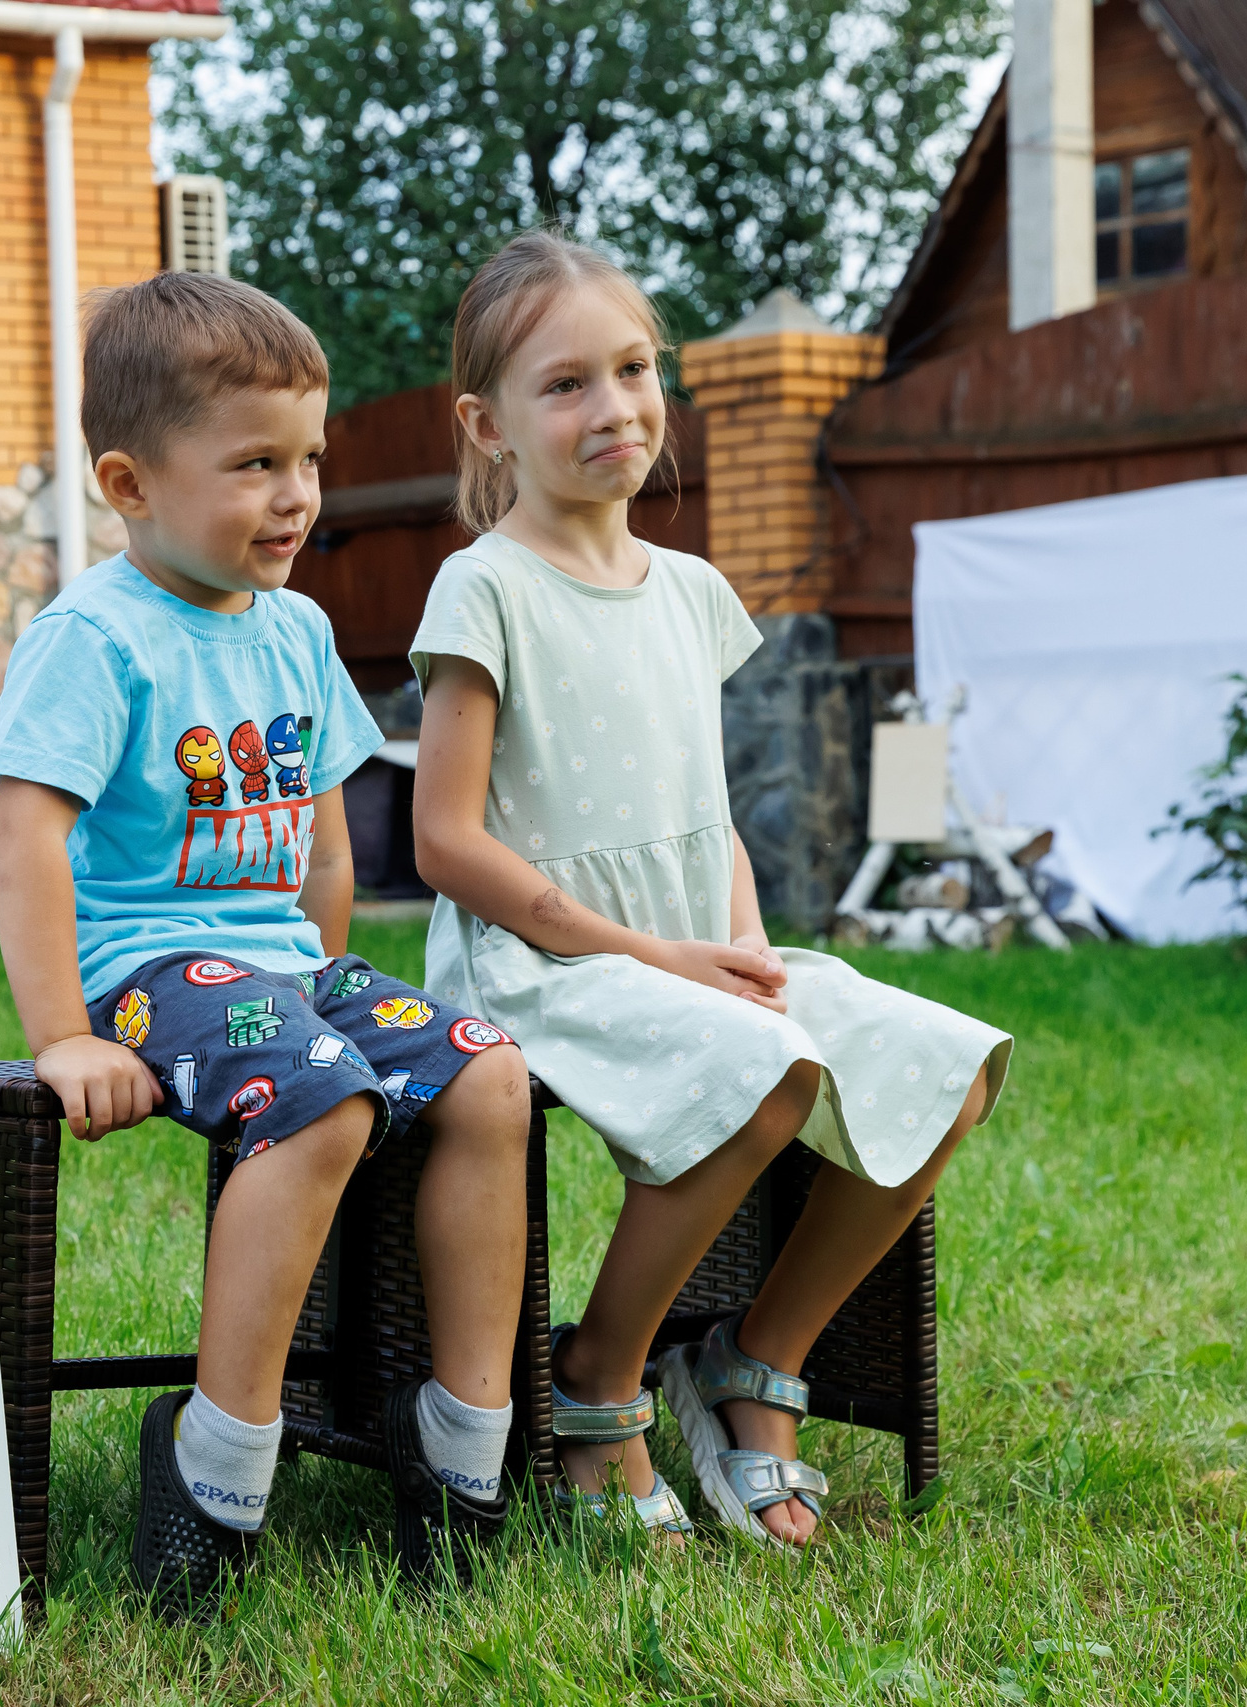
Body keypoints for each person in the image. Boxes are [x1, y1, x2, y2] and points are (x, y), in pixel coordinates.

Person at [409, 230, 1014, 1548]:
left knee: (949, 1064)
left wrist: (736, 940)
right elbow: (445, 842)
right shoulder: (486, 587)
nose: (614, 408)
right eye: (564, 385)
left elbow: (701, 811)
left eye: (632, 369)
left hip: (691, 941)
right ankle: (598, 1380)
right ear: (489, 424)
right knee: (765, 1066)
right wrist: (659, 958)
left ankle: (753, 1357)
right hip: (538, 963)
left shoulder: (689, 591)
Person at [0, 273, 535, 1617]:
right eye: (253, 465)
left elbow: (329, 848)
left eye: (307, 461)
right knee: (321, 1096)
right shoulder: (94, 639)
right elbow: (28, 843)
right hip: (139, 972)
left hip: (277, 963)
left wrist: (322, 976)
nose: (298, 495)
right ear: (130, 481)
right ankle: (216, 1459)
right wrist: (63, 1030)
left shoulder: (294, 630)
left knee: (488, 1074)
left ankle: (458, 1449)